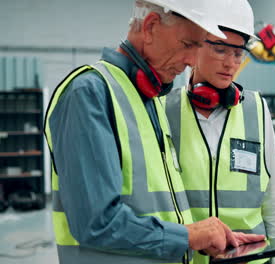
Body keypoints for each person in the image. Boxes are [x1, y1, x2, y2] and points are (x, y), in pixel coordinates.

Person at [44, 1, 263, 263]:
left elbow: (155, 208)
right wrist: (188, 237)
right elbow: (97, 222)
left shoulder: (150, 101)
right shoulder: (89, 94)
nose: (192, 61)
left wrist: (203, 236)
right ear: (150, 27)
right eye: (188, 45)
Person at [163, 1, 275, 263]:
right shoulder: (163, 110)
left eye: (238, 53)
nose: (231, 63)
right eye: (221, 49)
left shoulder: (255, 109)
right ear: (195, 43)